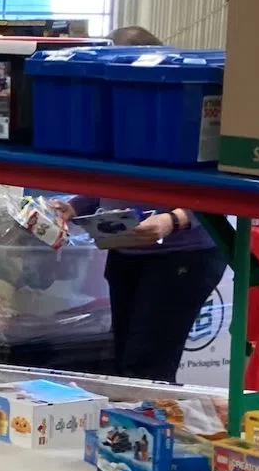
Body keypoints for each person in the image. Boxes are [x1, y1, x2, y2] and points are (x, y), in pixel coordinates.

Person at [76, 25, 225, 383]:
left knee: (147, 366)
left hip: (180, 257)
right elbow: (108, 181)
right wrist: (73, 205)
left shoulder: (187, 116)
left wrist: (173, 219)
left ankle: (149, 432)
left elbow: (220, 194)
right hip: (128, 252)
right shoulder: (116, 117)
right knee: (125, 362)